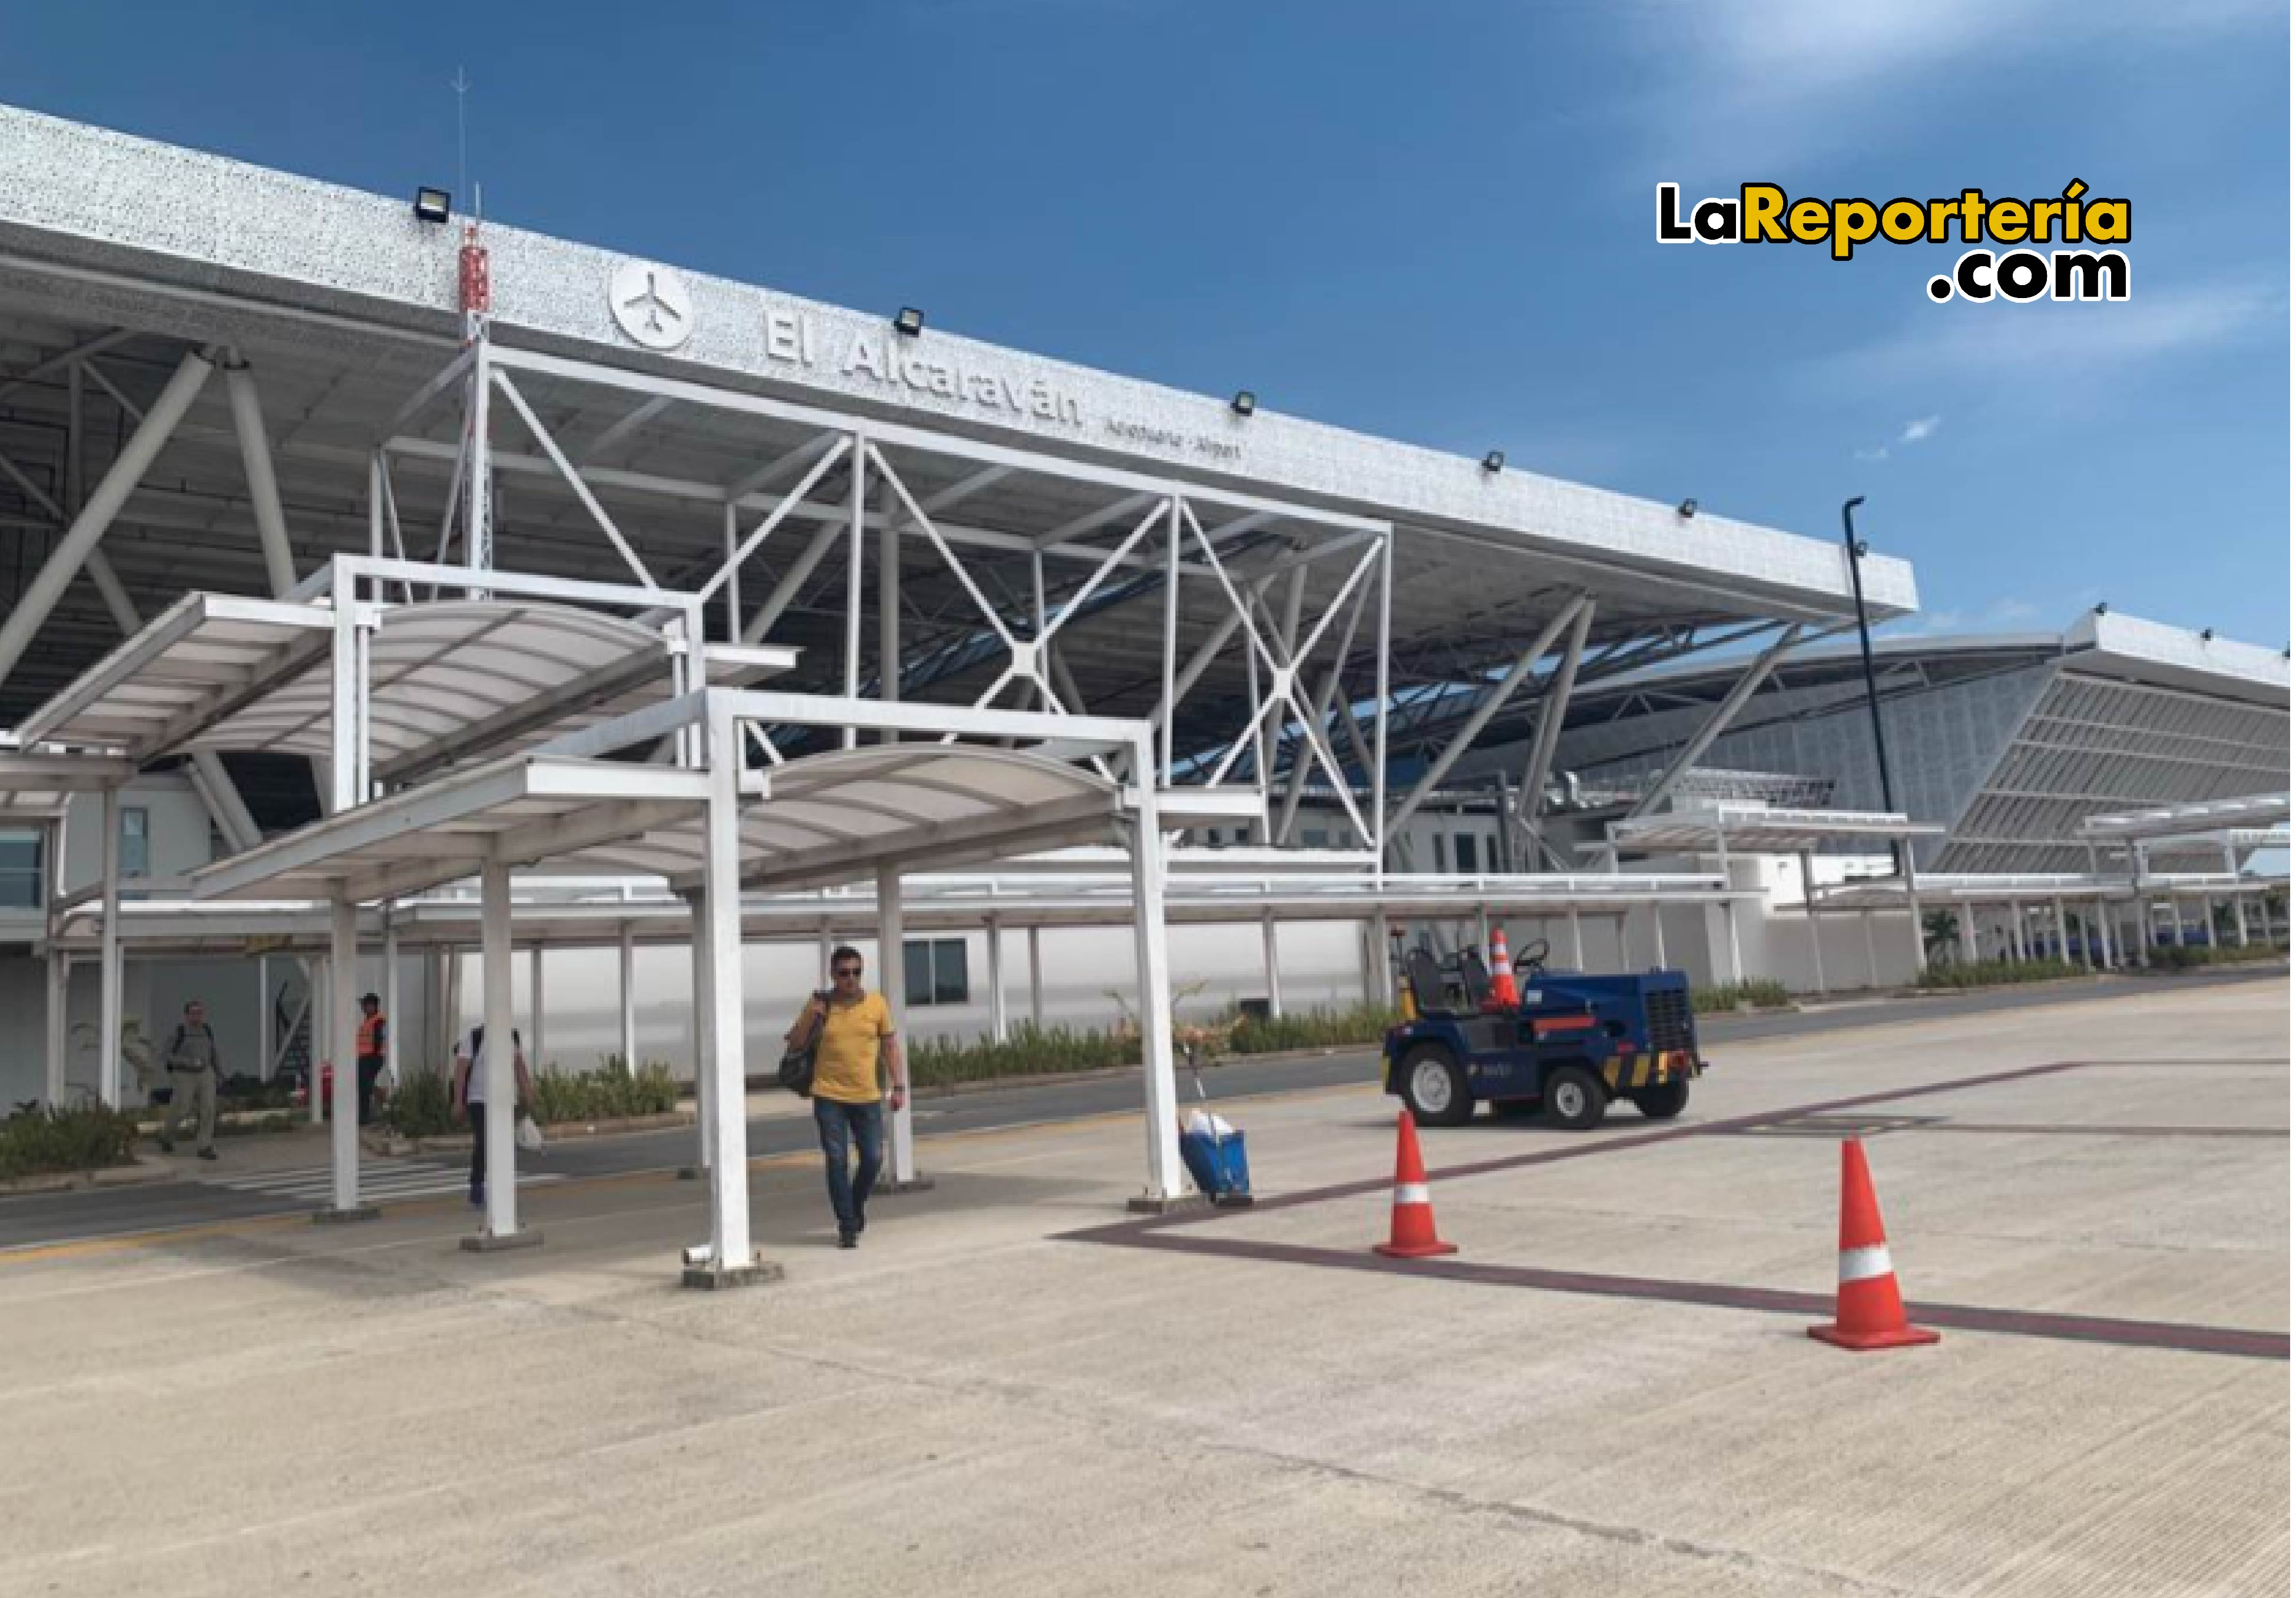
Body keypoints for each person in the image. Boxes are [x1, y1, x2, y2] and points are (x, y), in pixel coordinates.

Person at [787, 947, 907, 1248]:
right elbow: (796, 1043)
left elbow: (890, 1047)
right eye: (844, 973)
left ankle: (854, 1206)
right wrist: (810, 1017)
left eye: (856, 972)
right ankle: (847, 1224)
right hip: (829, 1095)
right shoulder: (821, 1004)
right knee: (837, 1160)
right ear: (833, 974)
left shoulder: (877, 1004)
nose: (851, 979)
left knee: (873, 1159)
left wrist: (900, 1086)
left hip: (867, 1096)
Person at [452, 1023, 532, 1209]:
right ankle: (478, 1186)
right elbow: (461, 1071)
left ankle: (500, 1188)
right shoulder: (474, 1038)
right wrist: (458, 1101)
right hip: (479, 1100)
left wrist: (526, 1092)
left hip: (505, 1100)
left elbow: (519, 1067)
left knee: (503, 1144)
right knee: (483, 1142)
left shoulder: (512, 1037)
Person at [157, 1000, 223, 1160]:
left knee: (208, 1108)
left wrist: (219, 1073)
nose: (197, 1016)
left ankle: (205, 1146)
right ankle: (167, 1136)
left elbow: (213, 1052)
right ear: (186, 1015)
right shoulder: (179, 1033)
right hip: (184, 1074)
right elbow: (165, 1055)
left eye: (200, 1013)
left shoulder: (207, 1031)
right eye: (194, 1013)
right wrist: (187, 1062)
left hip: (205, 1072)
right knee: (183, 1108)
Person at [354, 993, 388, 1126]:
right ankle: (366, 1115)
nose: (363, 1007)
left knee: (365, 1088)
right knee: (365, 1088)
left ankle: (365, 1117)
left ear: (373, 1006)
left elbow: (378, 1040)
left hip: (371, 1058)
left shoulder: (378, 1020)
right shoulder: (368, 1020)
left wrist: (375, 1057)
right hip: (365, 1058)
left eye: (365, 1005)